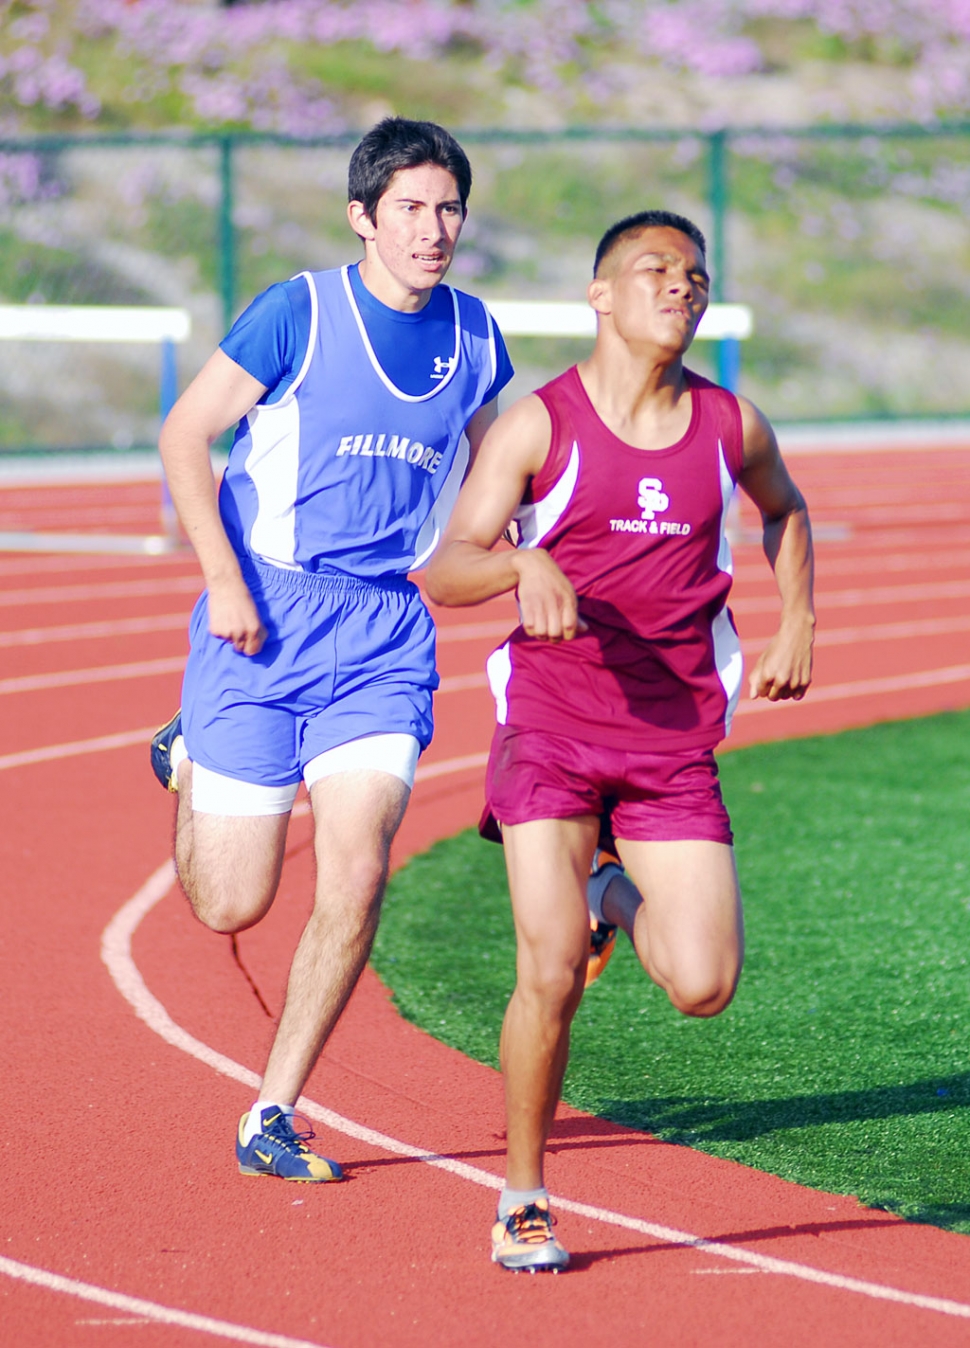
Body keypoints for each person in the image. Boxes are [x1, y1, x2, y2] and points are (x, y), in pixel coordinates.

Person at [425, 209, 815, 1271]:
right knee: (547, 972)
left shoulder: (731, 426)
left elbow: (784, 510)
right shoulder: (540, 427)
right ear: (599, 295)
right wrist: (519, 565)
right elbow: (450, 566)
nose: (678, 287)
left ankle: (608, 889)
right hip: (550, 730)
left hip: (668, 746)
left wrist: (798, 616)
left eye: (693, 274)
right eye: (653, 270)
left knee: (702, 981)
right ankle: (521, 1198)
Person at [149, 117, 515, 1183]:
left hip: (382, 635)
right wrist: (221, 577)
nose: (432, 228)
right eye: (409, 207)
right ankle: (188, 754)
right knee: (231, 903)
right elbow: (184, 434)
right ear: (362, 218)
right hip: (261, 615)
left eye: (448, 208)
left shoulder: (475, 336)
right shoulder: (296, 312)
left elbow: (508, 477)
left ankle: (272, 1108)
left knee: (355, 874)